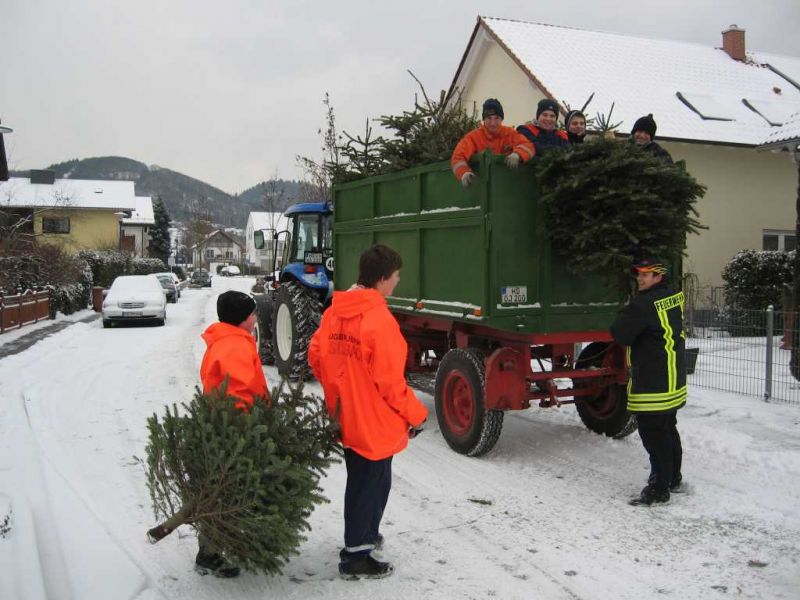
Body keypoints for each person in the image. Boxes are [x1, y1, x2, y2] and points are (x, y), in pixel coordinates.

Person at [309, 244, 428, 580]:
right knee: (368, 485)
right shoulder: (379, 321)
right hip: (374, 422)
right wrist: (416, 415)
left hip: (346, 415)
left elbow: (316, 355)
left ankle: (366, 536)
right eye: (396, 276)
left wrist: (339, 388)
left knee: (370, 480)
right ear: (381, 279)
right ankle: (356, 556)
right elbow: (391, 384)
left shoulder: (335, 311)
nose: (398, 281)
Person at [196, 290, 270, 577]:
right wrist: (249, 429)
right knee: (229, 493)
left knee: (221, 490)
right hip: (234, 430)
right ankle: (215, 554)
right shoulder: (234, 348)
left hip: (223, 426)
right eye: (252, 314)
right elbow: (239, 394)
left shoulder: (230, 341)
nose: (255, 318)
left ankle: (211, 550)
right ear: (241, 319)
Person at [610, 258, 686, 507]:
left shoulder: (643, 304)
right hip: (674, 378)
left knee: (654, 435)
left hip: (653, 382)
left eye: (647, 275)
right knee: (668, 427)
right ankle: (673, 478)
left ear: (658, 277)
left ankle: (658, 489)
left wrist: (625, 312)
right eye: (640, 275)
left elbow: (620, 334)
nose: (640, 279)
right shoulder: (674, 295)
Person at [450, 98, 535, 187]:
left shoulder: (510, 133)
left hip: (508, 184)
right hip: (483, 186)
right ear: (483, 119)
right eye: (489, 118)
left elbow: (528, 146)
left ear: (501, 119)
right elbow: (458, 156)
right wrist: (464, 173)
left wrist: (518, 154)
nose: (493, 123)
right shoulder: (473, 137)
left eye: (496, 118)